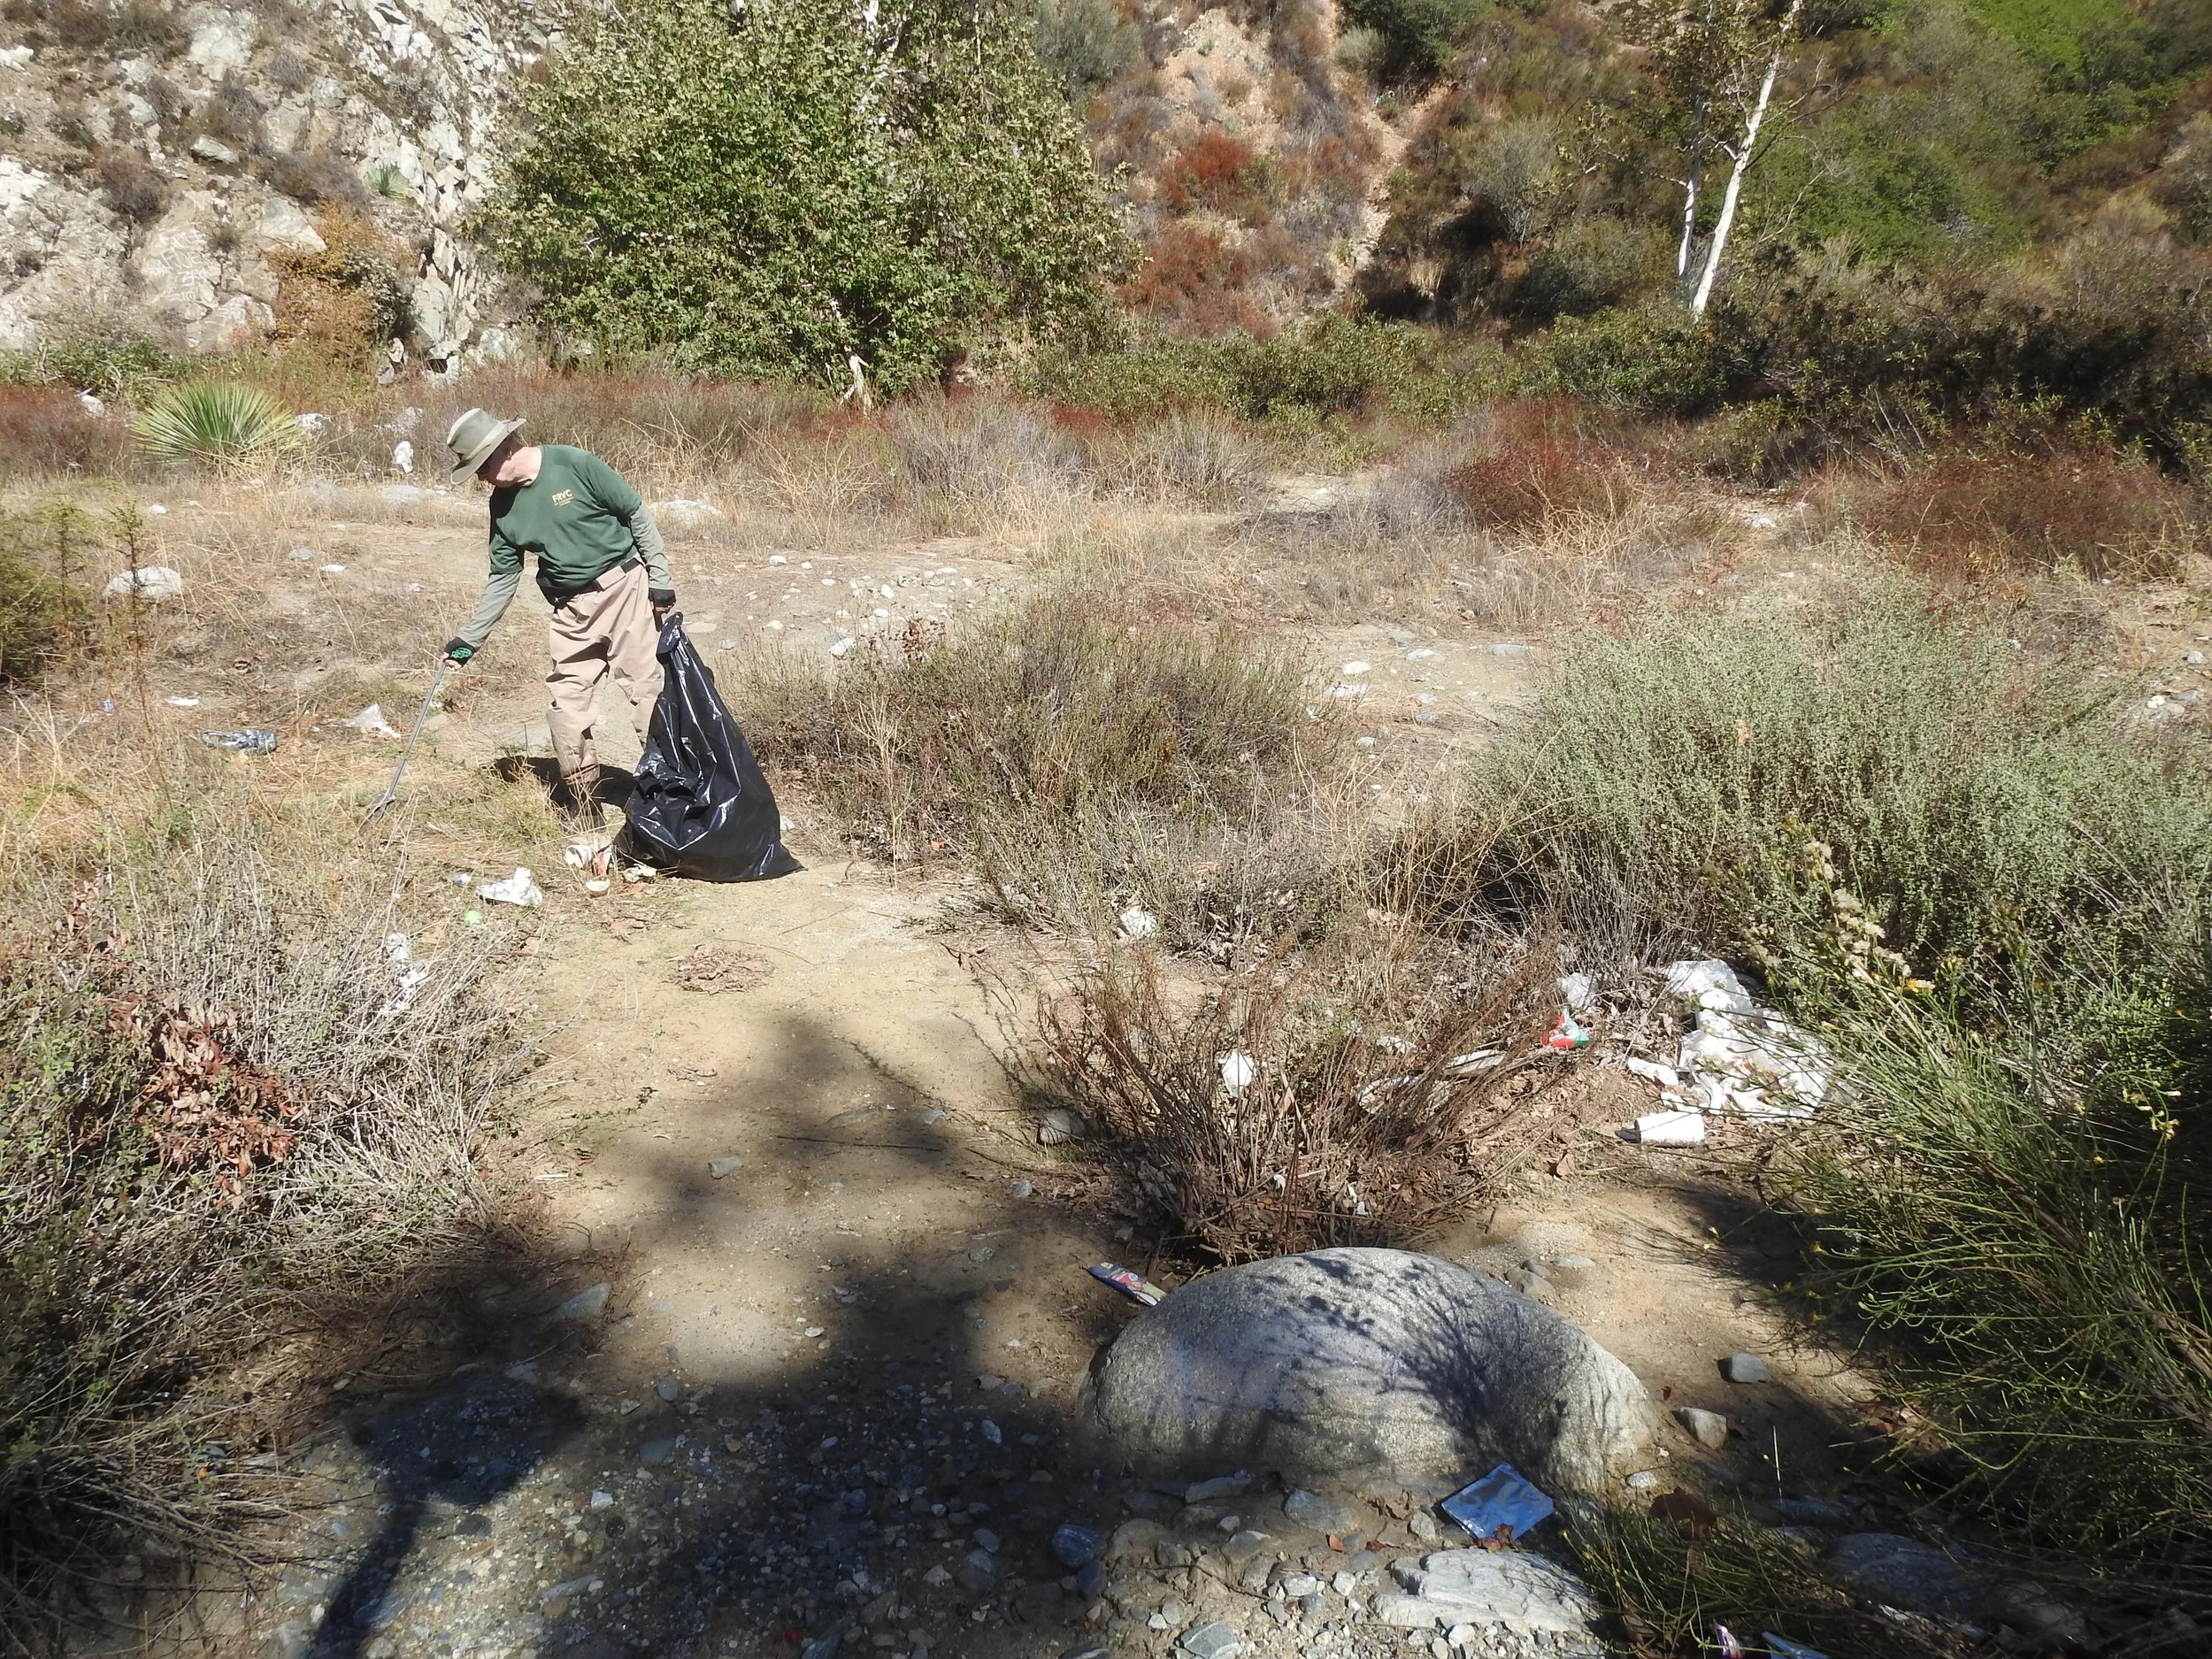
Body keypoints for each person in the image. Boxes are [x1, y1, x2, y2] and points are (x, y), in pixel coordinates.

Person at [441, 408, 678, 829]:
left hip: (625, 590)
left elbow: (635, 512)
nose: (480, 478)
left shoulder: (574, 463)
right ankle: (584, 802)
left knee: (647, 696)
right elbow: (502, 576)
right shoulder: (502, 506)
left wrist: (660, 577)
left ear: (503, 451)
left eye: (481, 467)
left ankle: (667, 796)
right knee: (565, 707)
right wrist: (469, 640)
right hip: (570, 610)